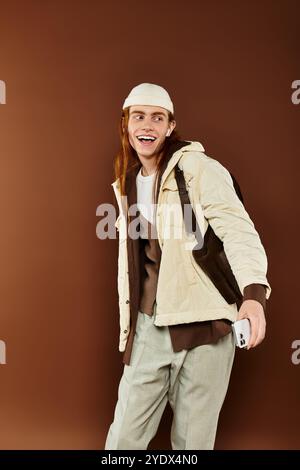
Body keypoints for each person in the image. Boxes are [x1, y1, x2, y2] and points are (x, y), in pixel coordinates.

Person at [104, 83, 271, 450]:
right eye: (139, 116)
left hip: (206, 327)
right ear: (126, 125)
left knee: (193, 443)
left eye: (157, 118)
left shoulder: (198, 169)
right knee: (123, 442)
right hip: (149, 327)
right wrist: (129, 330)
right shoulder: (126, 184)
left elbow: (238, 230)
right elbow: (131, 269)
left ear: (170, 125)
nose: (147, 125)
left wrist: (254, 295)